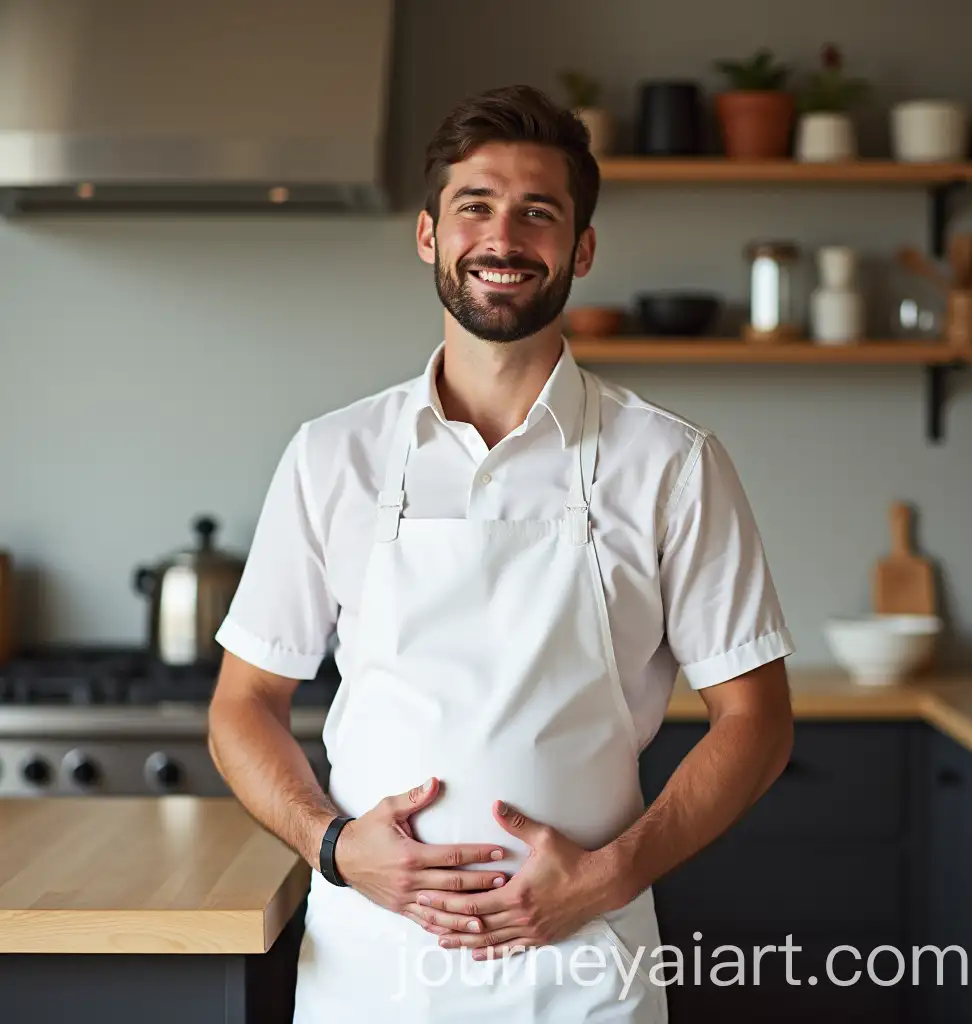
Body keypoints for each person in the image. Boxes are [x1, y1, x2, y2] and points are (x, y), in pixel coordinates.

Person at [209, 83, 795, 1023]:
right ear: (428, 236)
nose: (503, 237)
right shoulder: (332, 456)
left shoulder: (671, 462)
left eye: (539, 212)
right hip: (373, 971)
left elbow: (757, 721)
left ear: (582, 248)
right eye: (474, 205)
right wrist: (334, 847)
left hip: (583, 976)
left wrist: (608, 877)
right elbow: (243, 705)